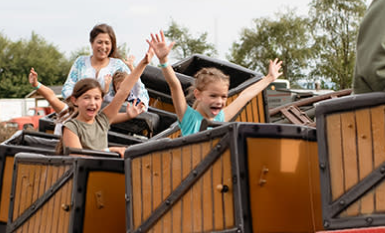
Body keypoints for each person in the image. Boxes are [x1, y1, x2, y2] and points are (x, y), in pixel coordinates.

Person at [147, 31, 282, 136]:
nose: (219, 101)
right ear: (198, 94)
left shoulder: (222, 117)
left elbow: (245, 95)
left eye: (223, 97)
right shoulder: (188, 118)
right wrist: (164, 60)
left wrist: (269, 78)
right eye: (213, 96)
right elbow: (174, 85)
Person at [60, 44, 152, 156]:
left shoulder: (101, 120)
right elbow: (79, 160)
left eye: (97, 98)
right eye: (86, 98)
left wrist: (143, 63)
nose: (92, 103)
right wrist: (109, 151)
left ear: (102, 100)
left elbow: (123, 91)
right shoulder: (71, 127)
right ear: (75, 100)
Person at [61, 24, 150, 111]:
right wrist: (80, 102)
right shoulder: (80, 62)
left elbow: (137, 89)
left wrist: (140, 106)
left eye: (107, 43)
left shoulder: (118, 65)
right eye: (99, 42)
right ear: (92, 43)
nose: (103, 47)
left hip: (109, 115)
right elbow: (68, 87)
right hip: (81, 113)